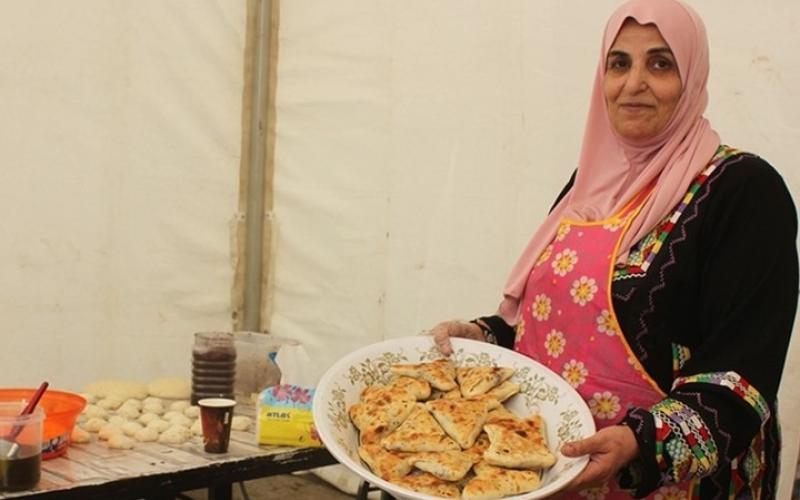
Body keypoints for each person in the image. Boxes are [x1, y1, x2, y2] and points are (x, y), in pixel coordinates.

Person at [431, 0, 798, 498]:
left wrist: (641, 444)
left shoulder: (742, 190)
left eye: (661, 64)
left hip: (674, 486)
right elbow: (552, 323)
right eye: (619, 63)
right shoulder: (589, 185)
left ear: (692, 77)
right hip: (560, 473)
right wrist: (483, 336)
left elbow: (742, 373)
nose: (634, 83)